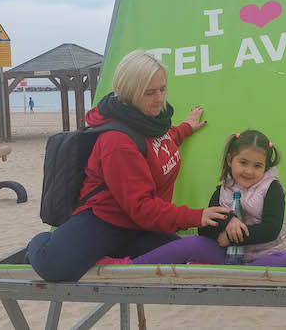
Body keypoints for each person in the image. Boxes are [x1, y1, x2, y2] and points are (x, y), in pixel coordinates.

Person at [26, 50, 231, 281]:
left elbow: (159, 143)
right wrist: (197, 216)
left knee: (186, 258)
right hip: (105, 220)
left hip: (139, 225)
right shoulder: (117, 141)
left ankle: (108, 252)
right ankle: (47, 242)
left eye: (162, 89)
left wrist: (184, 129)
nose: (159, 99)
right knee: (54, 266)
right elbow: (142, 206)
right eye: (149, 92)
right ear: (129, 93)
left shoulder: (150, 121)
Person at [112, 129, 286, 268]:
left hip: (265, 256)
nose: (249, 171)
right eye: (243, 163)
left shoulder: (272, 188)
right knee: (193, 242)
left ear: (265, 167)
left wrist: (232, 238)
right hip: (227, 255)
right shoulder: (223, 190)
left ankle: (233, 274)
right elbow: (205, 229)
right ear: (229, 160)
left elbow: (270, 230)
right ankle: (132, 265)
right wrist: (227, 222)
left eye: (258, 166)